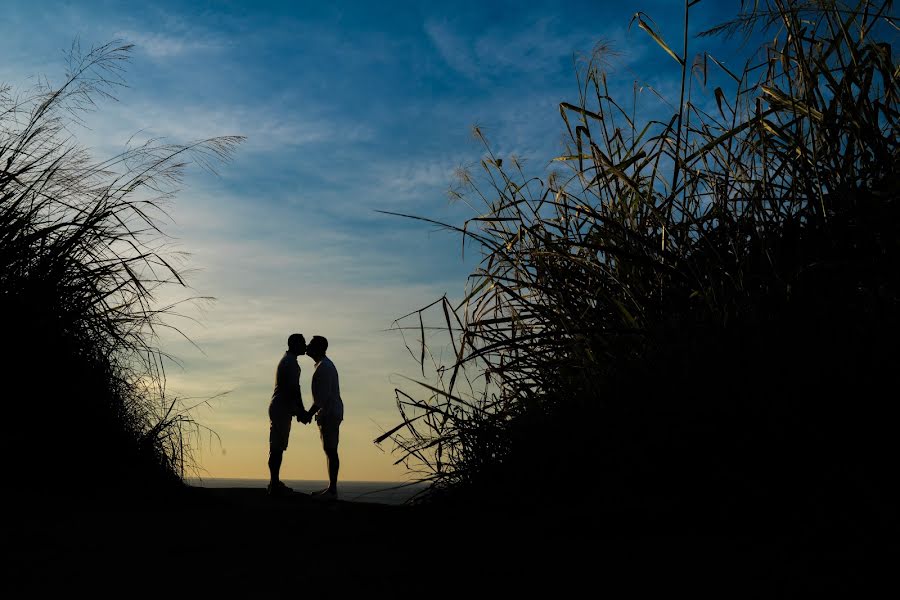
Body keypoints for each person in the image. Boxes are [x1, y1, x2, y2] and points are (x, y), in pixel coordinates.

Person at [267, 333, 312, 496]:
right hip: (281, 408)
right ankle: (274, 483)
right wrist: (301, 411)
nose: (306, 346)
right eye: (303, 343)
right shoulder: (291, 363)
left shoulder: (289, 361)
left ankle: (274, 481)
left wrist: (299, 411)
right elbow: (294, 390)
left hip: (281, 407)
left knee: (277, 445)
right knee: (277, 446)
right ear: (294, 344)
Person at [305, 335, 343, 500]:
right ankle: (331, 488)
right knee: (329, 449)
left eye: (311, 344)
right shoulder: (323, 366)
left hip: (330, 413)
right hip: (329, 413)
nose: (307, 346)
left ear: (319, 348)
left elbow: (321, 398)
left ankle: (332, 489)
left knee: (331, 449)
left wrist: (308, 414)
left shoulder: (324, 367)